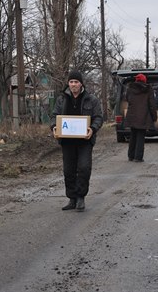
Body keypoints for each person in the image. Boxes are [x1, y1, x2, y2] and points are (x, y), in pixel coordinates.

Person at [50, 71, 103, 211]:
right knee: (69, 171)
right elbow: (54, 116)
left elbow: (98, 117)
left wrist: (92, 129)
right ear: (68, 83)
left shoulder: (91, 99)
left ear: (81, 84)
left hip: (85, 141)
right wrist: (54, 127)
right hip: (67, 141)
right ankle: (72, 199)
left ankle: (81, 198)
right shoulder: (61, 99)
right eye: (71, 82)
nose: (74, 84)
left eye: (76, 82)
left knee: (84, 168)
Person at [124, 73, 158, 162]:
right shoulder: (148, 89)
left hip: (132, 115)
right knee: (140, 136)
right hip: (144, 116)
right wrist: (154, 116)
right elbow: (152, 104)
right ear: (144, 81)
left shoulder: (130, 89)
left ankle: (130, 156)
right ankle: (138, 157)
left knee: (133, 135)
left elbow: (127, 99)